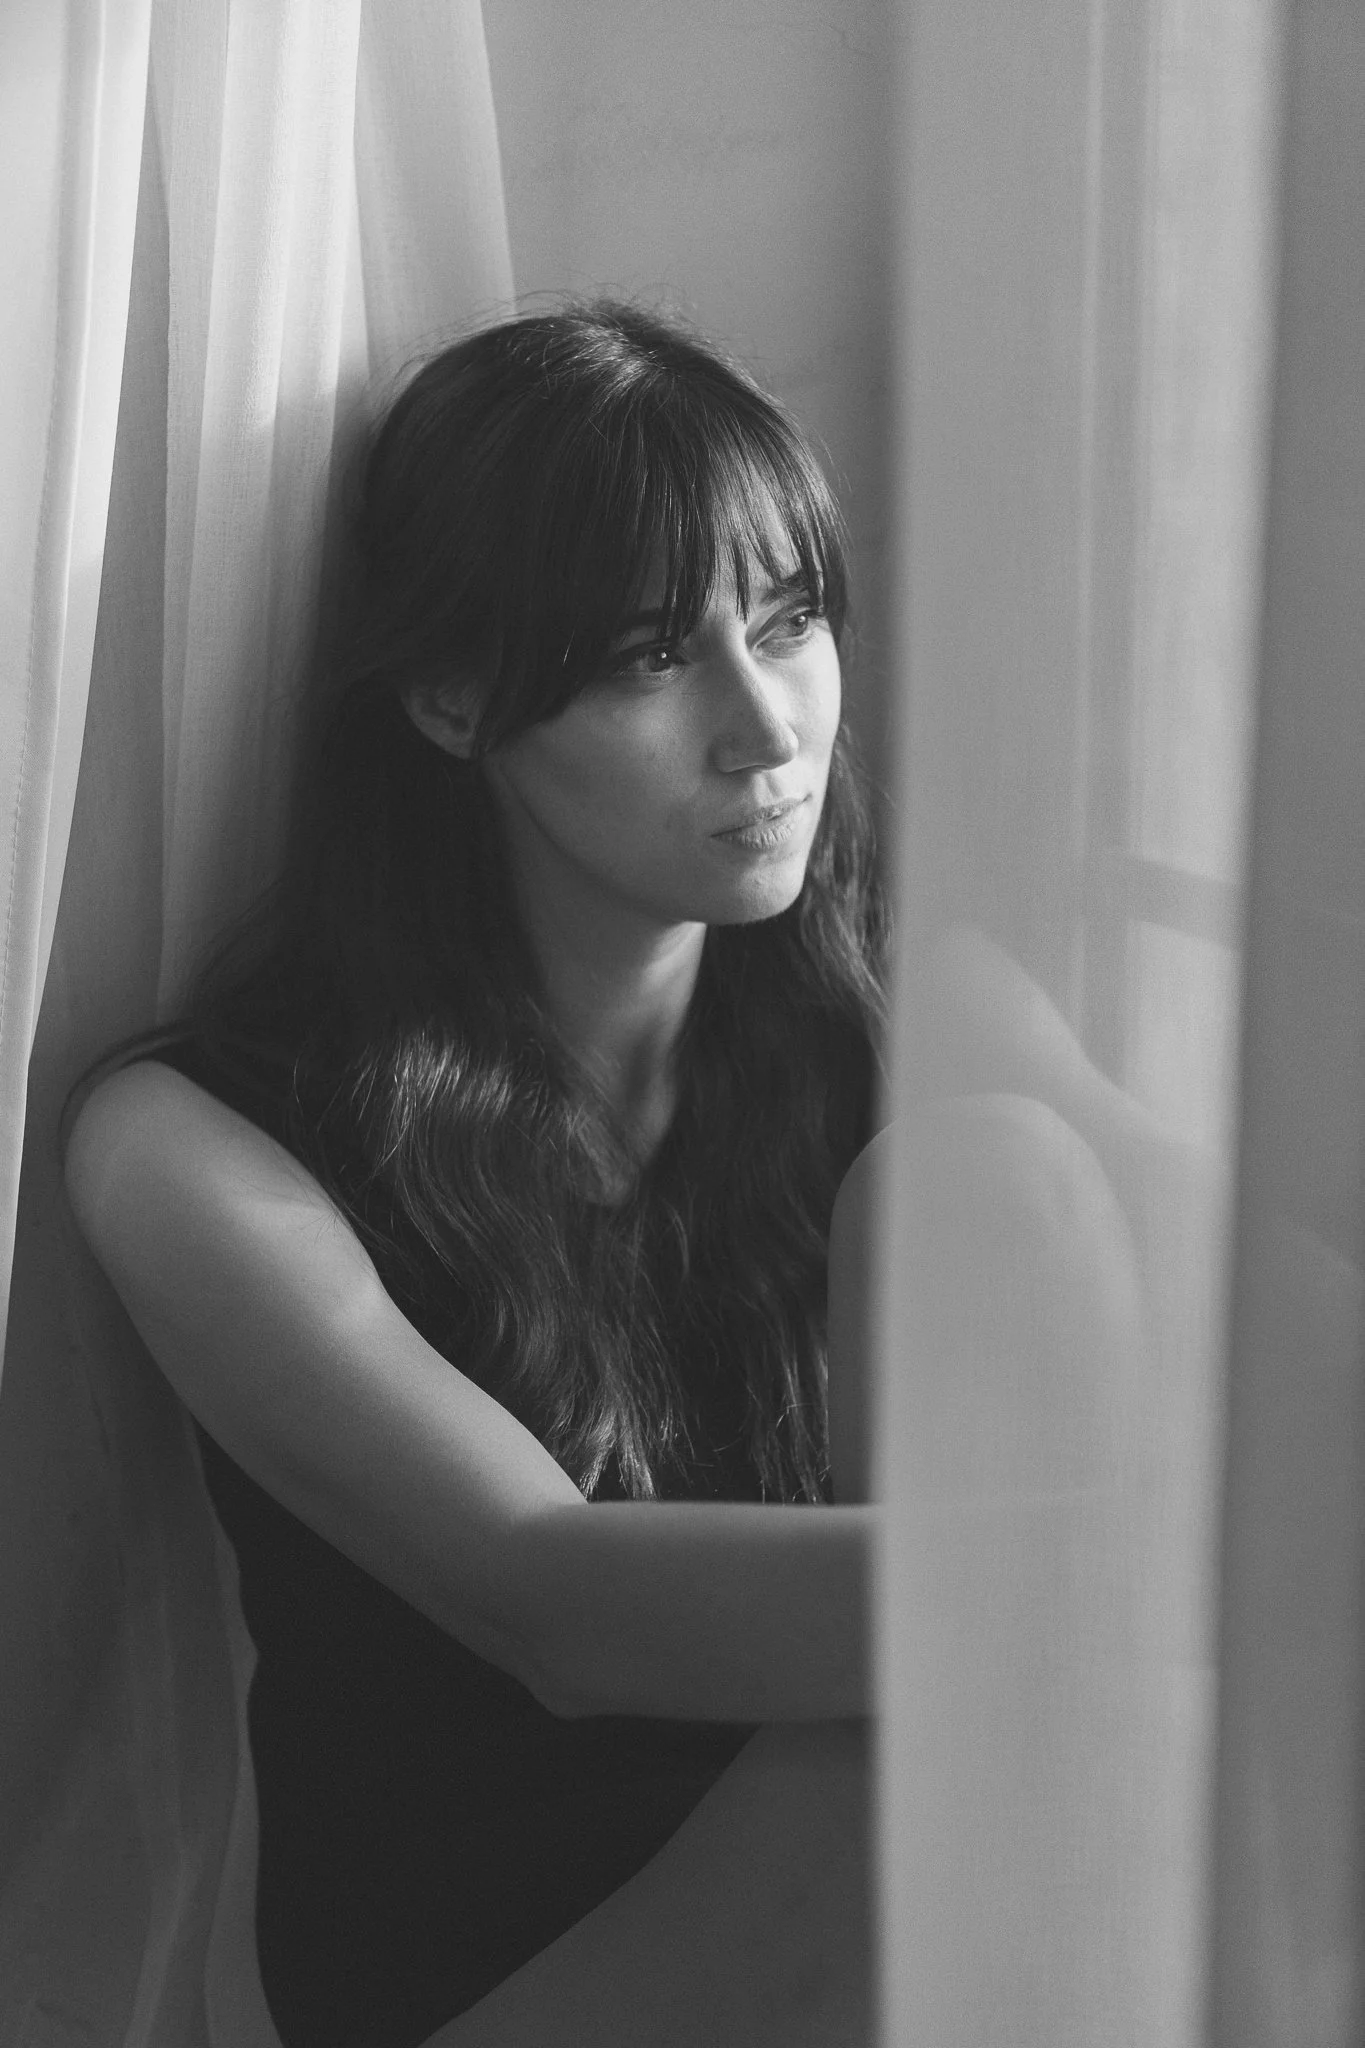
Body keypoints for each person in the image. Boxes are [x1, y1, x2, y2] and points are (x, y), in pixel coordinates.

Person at [64, 300, 889, 2046]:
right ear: (451, 698)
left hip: (839, 1864)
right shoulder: (195, 1144)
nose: (766, 729)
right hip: (496, 1969)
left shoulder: (868, 1045)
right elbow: (548, 1602)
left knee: (1004, 1173)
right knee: (924, 1803)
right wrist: (1153, 1575)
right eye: (655, 657)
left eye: (792, 619)